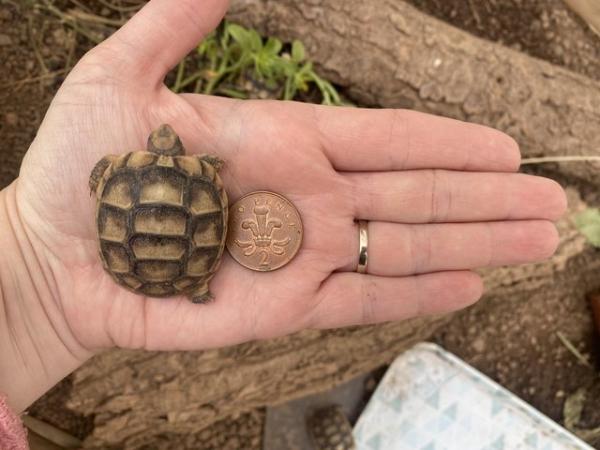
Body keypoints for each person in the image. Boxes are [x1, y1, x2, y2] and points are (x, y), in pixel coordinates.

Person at [0, 0, 567, 446]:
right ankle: (195, 287)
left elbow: (104, 181)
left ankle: (194, 286)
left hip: (134, 268)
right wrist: (31, 263)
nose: (168, 141)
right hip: (179, 274)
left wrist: (31, 266)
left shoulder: (125, 173)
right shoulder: (204, 174)